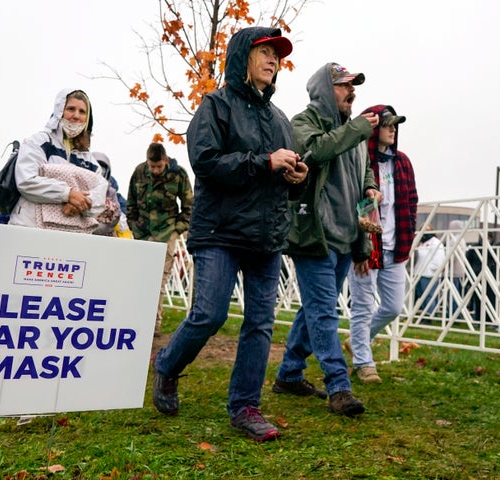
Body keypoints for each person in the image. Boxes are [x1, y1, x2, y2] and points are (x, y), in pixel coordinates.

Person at [151, 27, 308, 442]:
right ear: (242, 57)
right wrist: (265, 162)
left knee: (259, 323)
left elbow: (283, 178)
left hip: (266, 235)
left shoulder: (279, 119)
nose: (274, 60)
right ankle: (167, 365)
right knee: (210, 314)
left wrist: (297, 178)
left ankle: (245, 407)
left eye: (277, 55)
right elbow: (207, 163)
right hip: (220, 229)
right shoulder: (214, 106)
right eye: (265, 52)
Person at [271, 62, 380, 416]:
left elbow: (361, 166)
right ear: (324, 89)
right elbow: (315, 151)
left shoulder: (353, 131)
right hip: (313, 235)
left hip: (346, 238)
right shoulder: (302, 123)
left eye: (353, 86)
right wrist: (360, 129)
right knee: (323, 313)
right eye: (344, 86)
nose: (352, 92)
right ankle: (339, 386)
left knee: (314, 310)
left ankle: (288, 374)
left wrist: (370, 186)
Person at [346, 105, 418, 384]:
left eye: (395, 125)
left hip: (394, 247)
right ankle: (364, 362)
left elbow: (411, 202)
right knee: (362, 307)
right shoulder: (361, 162)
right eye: (387, 124)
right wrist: (358, 247)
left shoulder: (402, 162)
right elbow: (352, 206)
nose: (393, 129)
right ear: (374, 129)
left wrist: (407, 241)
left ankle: (357, 341)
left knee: (392, 307)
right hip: (366, 247)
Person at [9, 88, 119, 233]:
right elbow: (27, 180)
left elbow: (99, 194)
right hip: (30, 227)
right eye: (71, 109)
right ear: (59, 110)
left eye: (82, 112)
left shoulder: (90, 161)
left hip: (70, 235)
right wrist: (68, 194)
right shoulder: (38, 142)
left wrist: (80, 203)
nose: (76, 115)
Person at [126, 142, 194, 335]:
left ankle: (153, 323)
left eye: (159, 166)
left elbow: (190, 206)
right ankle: (135, 319)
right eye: (152, 166)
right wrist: (133, 225)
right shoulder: (139, 172)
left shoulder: (179, 174)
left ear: (166, 160)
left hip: (165, 233)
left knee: (159, 281)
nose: (155, 170)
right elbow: (130, 201)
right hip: (142, 233)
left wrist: (176, 231)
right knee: (139, 279)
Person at [414, 226, 446, 316]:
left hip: (429, 274)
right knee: (421, 296)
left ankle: (429, 315)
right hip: (418, 272)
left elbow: (439, 259)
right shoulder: (420, 242)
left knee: (428, 296)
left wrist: (432, 269)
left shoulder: (436, 242)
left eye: (427, 230)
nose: (425, 232)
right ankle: (424, 314)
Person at [446, 219, 468, 317]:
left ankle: (454, 313)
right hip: (458, 269)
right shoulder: (461, 239)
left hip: (453, 270)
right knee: (455, 293)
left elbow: (452, 255)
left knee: (453, 294)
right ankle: (454, 312)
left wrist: (445, 265)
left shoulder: (455, 240)